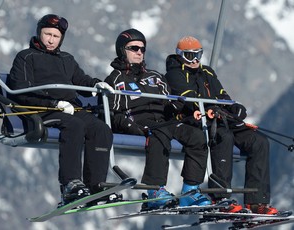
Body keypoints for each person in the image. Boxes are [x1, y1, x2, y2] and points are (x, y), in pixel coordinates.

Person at [8, 14, 115, 206]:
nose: (50, 40)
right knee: (74, 126)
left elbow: (81, 79)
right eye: (47, 34)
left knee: (101, 129)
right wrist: (53, 104)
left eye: (55, 36)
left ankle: (96, 185)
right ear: (39, 33)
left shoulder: (66, 59)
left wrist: (97, 84)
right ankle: (70, 184)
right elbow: (20, 89)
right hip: (41, 109)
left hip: (69, 108)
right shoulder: (26, 57)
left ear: (61, 39)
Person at [164, 35, 279, 215]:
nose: (194, 60)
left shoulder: (207, 72)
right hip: (196, 120)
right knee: (223, 136)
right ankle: (220, 197)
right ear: (179, 55)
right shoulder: (174, 74)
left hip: (220, 118)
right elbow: (189, 99)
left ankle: (257, 202)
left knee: (259, 142)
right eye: (189, 56)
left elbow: (223, 96)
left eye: (198, 55)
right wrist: (211, 108)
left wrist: (234, 108)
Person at [104, 28, 211, 210]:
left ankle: (190, 191)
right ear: (122, 50)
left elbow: (170, 103)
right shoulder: (115, 80)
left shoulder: (155, 77)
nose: (139, 52)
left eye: (142, 49)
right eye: (133, 48)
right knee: (159, 133)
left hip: (165, 121)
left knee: (197, 136)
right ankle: (154, 191)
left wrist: (184, 111)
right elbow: (113, 114)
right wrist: (132, 127)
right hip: (139, 122)